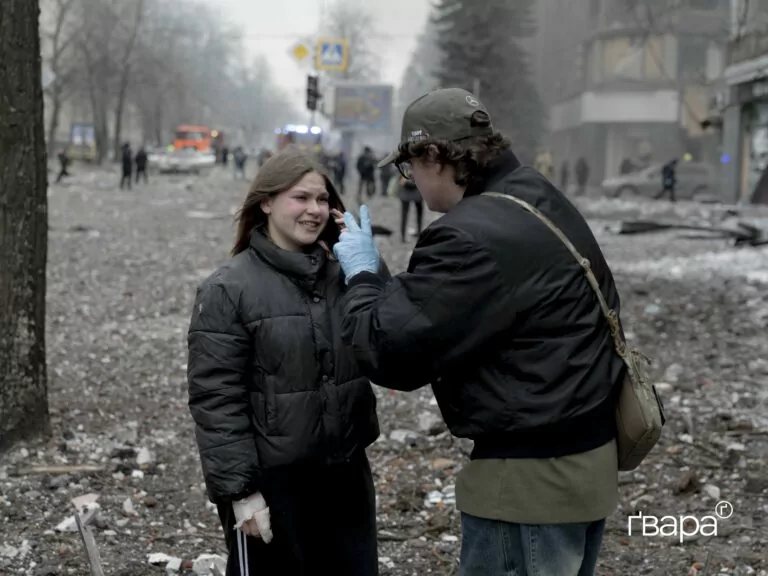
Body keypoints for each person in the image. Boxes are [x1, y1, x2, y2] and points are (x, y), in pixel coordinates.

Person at [331, 88, 624, 576]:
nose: (413, 184)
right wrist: (388, 282)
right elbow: (464, 311)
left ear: (432, 155)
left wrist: (361, 277)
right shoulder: (532, 194)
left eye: (410, 169)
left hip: (529, 486)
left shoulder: (471, 233)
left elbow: (389, 350)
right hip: (585, 462)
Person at [187, 148, 382, 576]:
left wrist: (372, 276)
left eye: (322, 199)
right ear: (267, 202)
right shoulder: (228, 288)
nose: (314, 210)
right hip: (274, 487)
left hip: (346, 477)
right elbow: (216, 399)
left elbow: (390, 345)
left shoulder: (346, 277)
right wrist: (241, 492)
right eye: (301, 198)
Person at [396, 175, 423, 242]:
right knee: (419, 214)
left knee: (404, 215)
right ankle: (418, 233)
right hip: (416, 190)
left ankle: (403, 236)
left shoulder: (402, 166)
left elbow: (399, 179)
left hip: (407, 191)